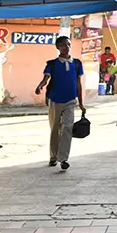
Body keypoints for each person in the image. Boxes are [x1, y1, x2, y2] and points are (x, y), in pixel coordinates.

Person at [35, 36, 85, 170]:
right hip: (55, 100)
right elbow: (46, 79)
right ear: (57, 48)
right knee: (55, 128)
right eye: (62, 45)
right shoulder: (52, 64)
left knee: (68, 128)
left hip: (70, 100)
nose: (66, 47)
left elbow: (79, 84)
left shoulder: (77, 63)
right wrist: (40, 86)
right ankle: (53, 156)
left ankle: (63, 158)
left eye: (68, 44)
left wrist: (81, 103)